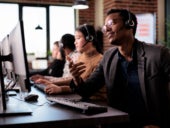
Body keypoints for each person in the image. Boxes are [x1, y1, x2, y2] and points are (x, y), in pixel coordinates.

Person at [69, 9, 170, 128]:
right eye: (105, 27)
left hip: (149, 124)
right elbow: (87, 90)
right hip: (117, 123)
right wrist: (77, 79)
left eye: (111, 23)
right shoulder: (108, 57)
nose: (106, 29)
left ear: (129, 24)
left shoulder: (158, 54)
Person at [44, 24, 106, 101]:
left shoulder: (100, 60)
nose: (75, 42)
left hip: (96, 101)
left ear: (90, 38)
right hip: (83, 98)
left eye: (78, 38)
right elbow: (76, 84)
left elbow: (86, 87)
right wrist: (53, 84)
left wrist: (59, 88)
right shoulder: (82, 56)